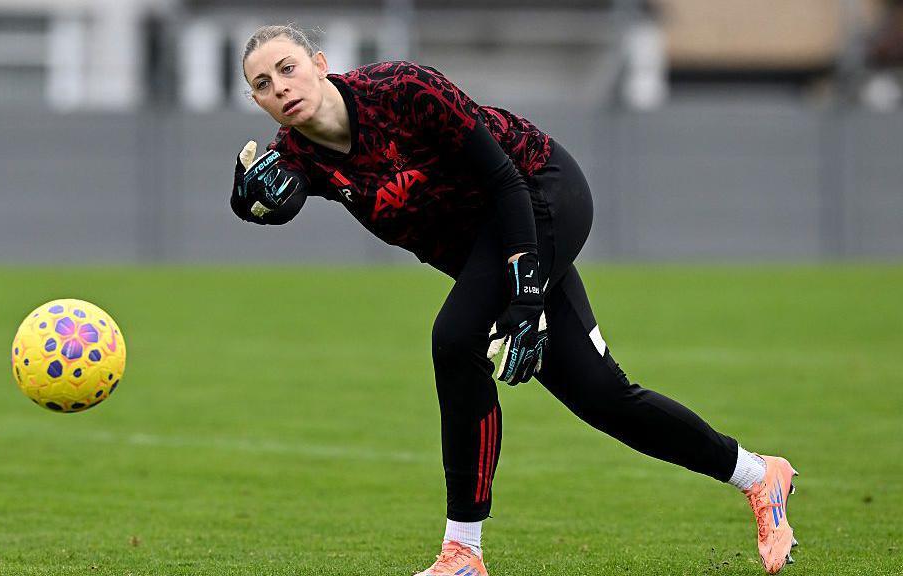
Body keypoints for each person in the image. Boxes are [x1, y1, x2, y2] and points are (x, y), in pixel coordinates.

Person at [232, 24, 799, 576]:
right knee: (603, 397)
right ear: (258, 102)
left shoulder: (403, 90)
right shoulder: (299, 157)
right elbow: (273, 202)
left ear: (321, 65)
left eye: (288, 68)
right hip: (492, 249)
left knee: (454, 340)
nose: (280, 87)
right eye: (262, 83)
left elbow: (505, 180)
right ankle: (757, 475)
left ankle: (463, 552)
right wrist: (244, 199)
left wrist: (526, 301)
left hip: (541, 194)